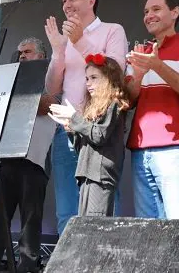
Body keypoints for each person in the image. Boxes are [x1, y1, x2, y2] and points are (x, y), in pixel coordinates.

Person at [44, 0, 129, 234]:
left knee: (102, 210)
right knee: (67, 211)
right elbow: (52, 88)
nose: (66, 5)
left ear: (91, 1)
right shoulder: (65, 39)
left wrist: (80, 40)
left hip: (98, 131)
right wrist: (59, 50)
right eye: (63, 1)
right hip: (66, 130)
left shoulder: (113, 30)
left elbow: (115, 73)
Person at [125, 0, 179, 220]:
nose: (148, 15)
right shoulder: (140, 52)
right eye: (145, 11)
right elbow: (128, 101)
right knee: (147, 231)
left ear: (174, 12)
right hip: (141, 150)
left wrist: (157, 65)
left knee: (178, 230)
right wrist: (140, 75)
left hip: (176, 148)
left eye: (156, 9)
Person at [0, 38, 57, 273]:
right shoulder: (9, 78)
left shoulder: (52, 76)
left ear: (42, 55)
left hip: (33, 161)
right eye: (19, 53)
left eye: (27, 52)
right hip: (4, 158)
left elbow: (47, 105)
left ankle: (27, 268)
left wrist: (13, 91)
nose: (22, 56)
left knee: (30, 223)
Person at [49, 54, 128, 217]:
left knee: (95, 227)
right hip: (87, 174)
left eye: (94, 77)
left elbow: (99, 135)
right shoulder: (93, 108)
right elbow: (84, 146)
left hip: (101, 176)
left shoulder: (114, 104)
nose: (88, 83)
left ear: (108, 78)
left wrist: (73, 117)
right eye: (87, 78)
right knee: (85, 224)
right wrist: (71, 129)